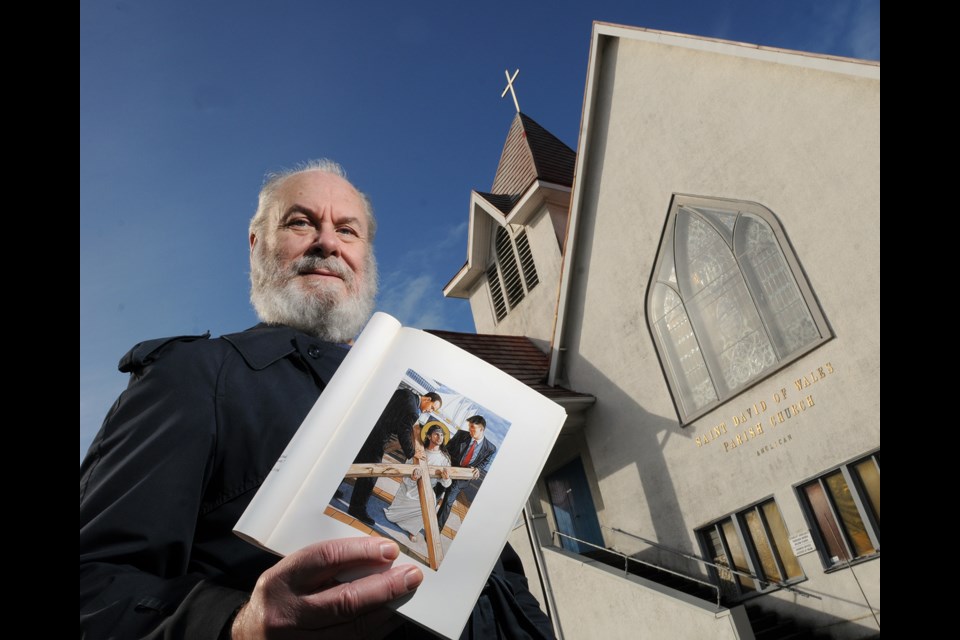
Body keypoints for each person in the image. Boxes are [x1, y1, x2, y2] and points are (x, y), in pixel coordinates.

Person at [79, 160, 555, 639]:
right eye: (300, 222)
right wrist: (241, 626)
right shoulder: (195, 374)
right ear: (256, 246)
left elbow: (506, 588)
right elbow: (93, 585)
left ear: (365, 259)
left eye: (348, 231)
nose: (327, 242)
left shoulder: (411, 386)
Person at [348, 389, 442, 525]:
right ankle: (356, 508)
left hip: (367, 428)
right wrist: (412, 452)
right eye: (432, 407)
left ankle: (331, 489)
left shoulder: (405, 393)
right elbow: (404, 432)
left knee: (352, 461)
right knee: (371, 475)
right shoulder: (413, 411)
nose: (430, 411)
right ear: (427, 399)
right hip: (378, 437)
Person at [384, 424, 452, 542]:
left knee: (429, 503)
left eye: (441, 435)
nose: (440, 437)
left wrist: (446, 478)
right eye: (436, 434)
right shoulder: (420, 451)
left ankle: (412, 530)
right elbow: (407, 468)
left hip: (427, 488)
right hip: (411, 485)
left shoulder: (444, 459)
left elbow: (446, 484)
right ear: (429, 436)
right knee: (392, 516)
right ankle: (398, 517)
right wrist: (413, 478)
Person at [436, 415, 497, 531]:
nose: (470, 430)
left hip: (461, 479)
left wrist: (478, 468)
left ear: (481, 429)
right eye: (469, 427)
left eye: (473, 427)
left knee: (448, 502)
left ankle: (436, 530)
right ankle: (420, 522)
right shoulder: (461, 435)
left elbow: (485, 462)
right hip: (447, 471)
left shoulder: (490, 448)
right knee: (435, 496)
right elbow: (446, 449)